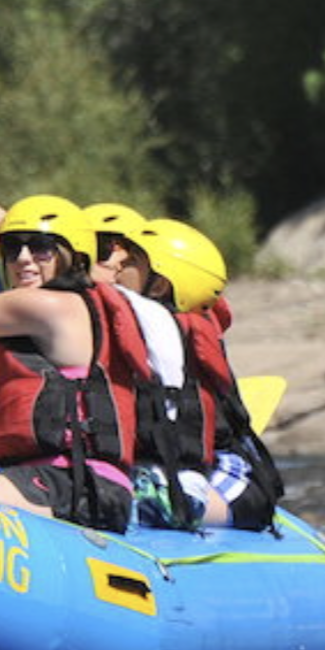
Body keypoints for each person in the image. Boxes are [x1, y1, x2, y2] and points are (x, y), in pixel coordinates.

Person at [0, 195, 151, 531]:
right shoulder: (88, 299)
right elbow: (48, 248)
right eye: (12, 248)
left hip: (73, 483)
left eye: (41, 247)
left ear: (72, 255)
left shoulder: (47, 306)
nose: (23, 258)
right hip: (82, 483)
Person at [121, 216, 286, 532]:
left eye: (131, 262)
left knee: (157, 504)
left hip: (228, 477)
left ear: (159, 285)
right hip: (165, 468)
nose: (117, 266)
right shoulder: (129, 324)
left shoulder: (169, 335)